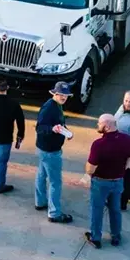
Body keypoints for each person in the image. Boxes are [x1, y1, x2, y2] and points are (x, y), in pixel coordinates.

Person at [83, 113, 130, 248]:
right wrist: (123, 169)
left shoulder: (98, 145)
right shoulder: (126, 139)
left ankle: (95, 237)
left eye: (99, 123)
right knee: (115, 209)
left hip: (101, 182)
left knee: (97, 209)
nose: (98, 125)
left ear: (106, 126)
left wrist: (87, 174)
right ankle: (116, 236)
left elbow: (91, 168)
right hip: (118, 181)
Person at [35, 81, 75, 224]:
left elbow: (57, 123)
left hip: (43, 149)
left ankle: (40, 202)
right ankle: (54, 213)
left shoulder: (55, 106)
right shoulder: (49, 108)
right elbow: (40, 128)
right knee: (55, 182)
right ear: (54, 94)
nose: (63, 97)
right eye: (60, 95)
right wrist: (52, 130)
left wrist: (65, 131)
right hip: (50, 151)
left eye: (65, 95)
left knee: (41, 174)